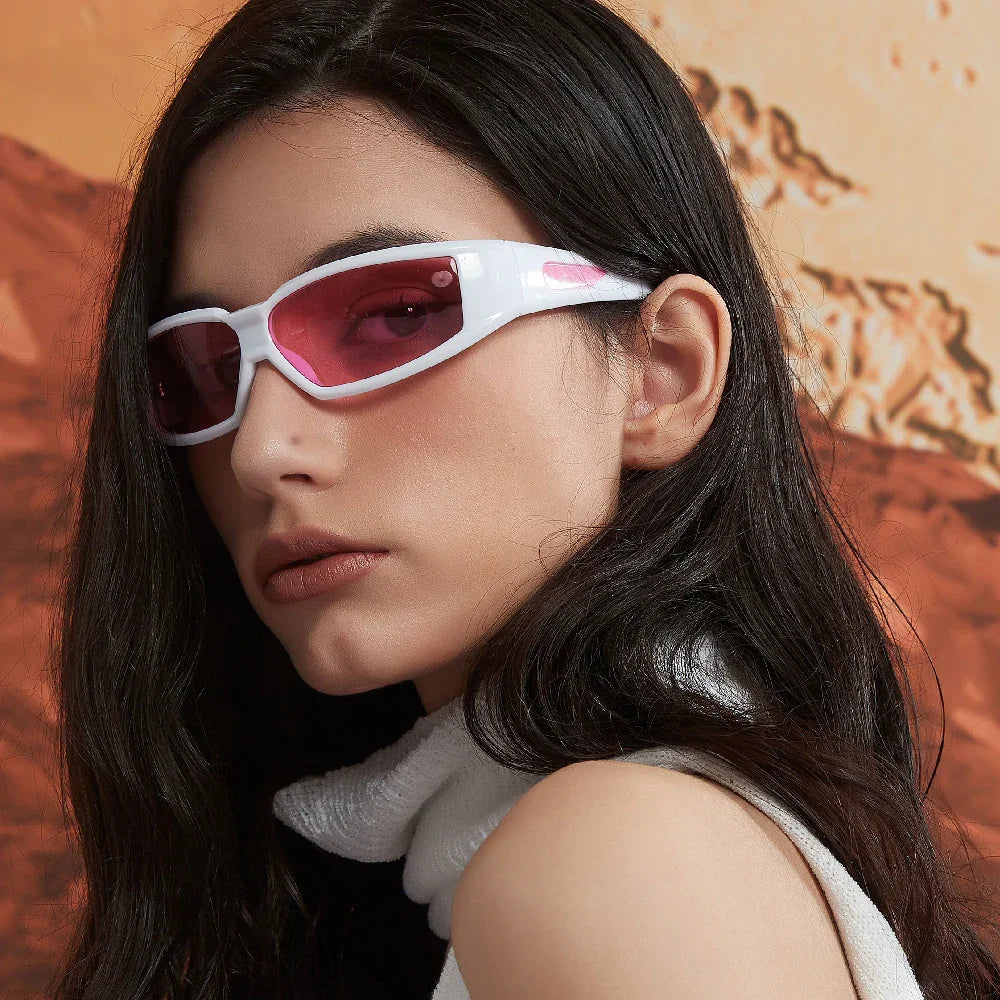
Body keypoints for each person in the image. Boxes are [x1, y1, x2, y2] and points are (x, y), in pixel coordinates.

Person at [49, 0, 1000, 997]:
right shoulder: (625, 852)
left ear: (661, 371)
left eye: (393, 315)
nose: (259, 447)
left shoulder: (612, 860)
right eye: (202, 368)